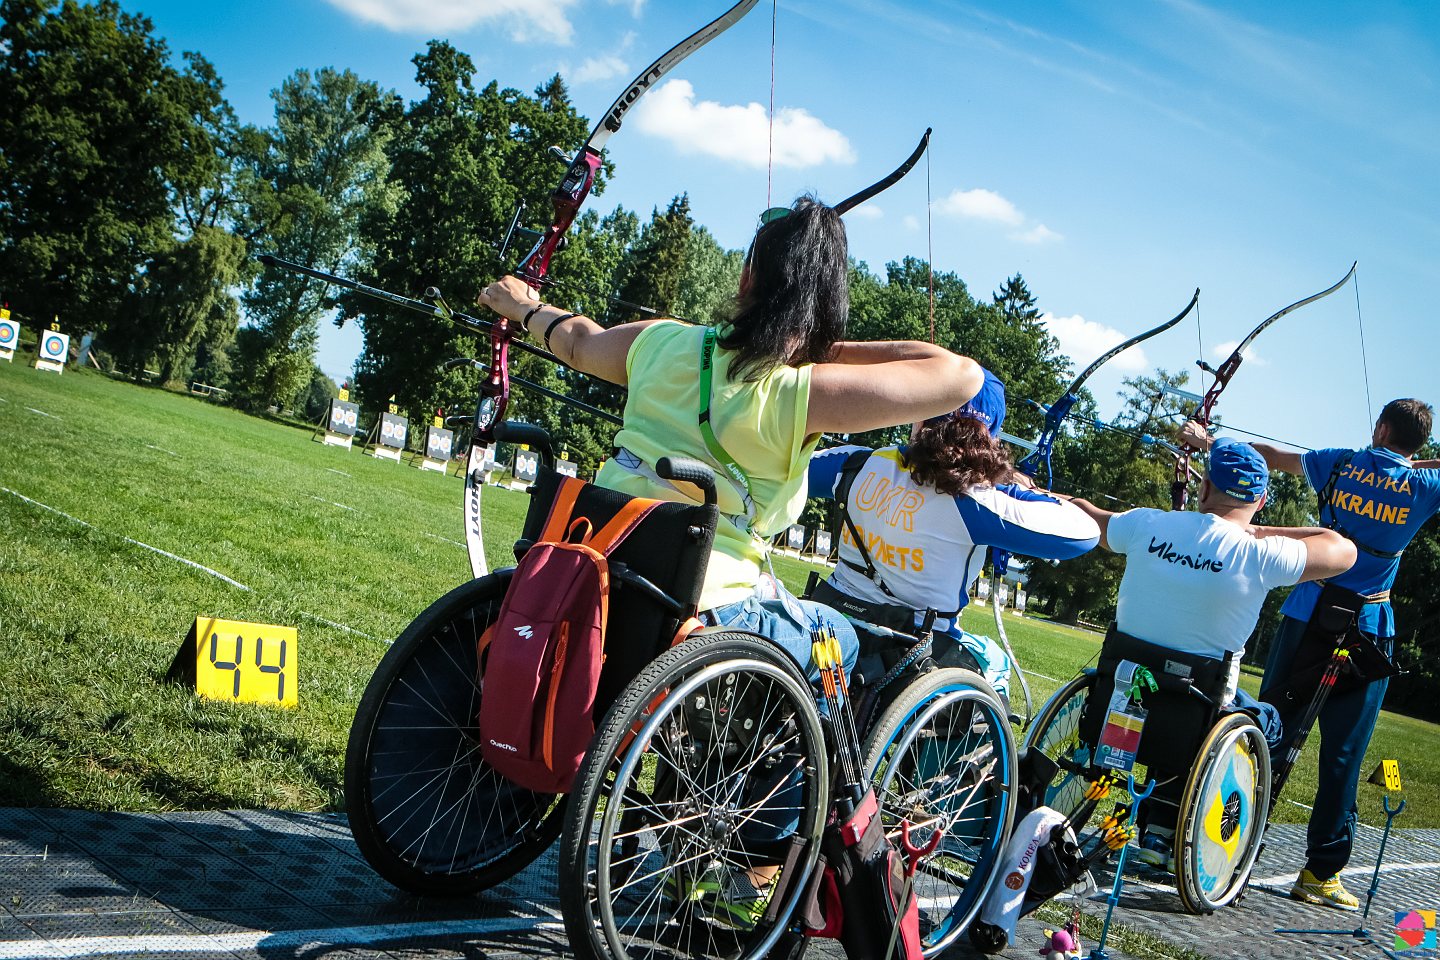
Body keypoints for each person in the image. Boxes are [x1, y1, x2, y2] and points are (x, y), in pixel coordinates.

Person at [479, 195, 984, 926]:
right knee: (840, 644)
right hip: (706, 606)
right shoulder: (801, 392)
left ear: (746, 278)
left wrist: (523, 308)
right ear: (823, 304)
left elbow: (580, 340)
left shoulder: (663, 342)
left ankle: (704, 791)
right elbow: (958, 374)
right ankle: (760, 850)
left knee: (789, 642)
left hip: (598, 573)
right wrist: (809, 341)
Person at [1180, 399, 1440, 909]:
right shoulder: (1426, 487)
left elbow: (1271, 456)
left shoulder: (1340, 463)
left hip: (1308, 613)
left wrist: (1207, 443)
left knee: (1268, 726)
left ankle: (1219, 847)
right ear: (1418, 443)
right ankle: (1320, 874)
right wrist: (1414, 464)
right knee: (1343, 754)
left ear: (1381, 427)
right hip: (1368, 628)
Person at [1067, 438, 1355, 870]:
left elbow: (1092, 517)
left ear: (1203, 490)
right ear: (1259, 501)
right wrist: (1256, 530)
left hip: (1121, 692)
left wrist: (1056, 494)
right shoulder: (1260, 554)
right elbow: (1341, 548)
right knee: (1263, 719)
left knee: (1171, 694)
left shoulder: (1148, 525)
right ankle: (1164, 829)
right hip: (1194, 713)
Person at [806, 367, 1101, 705]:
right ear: (989, 438)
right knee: (995, 661)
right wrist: (1015, 490)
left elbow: (787, 465)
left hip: (829, 624)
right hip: (912, 652)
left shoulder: (857, 464)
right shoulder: (978, 503)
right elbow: (1083, 533)